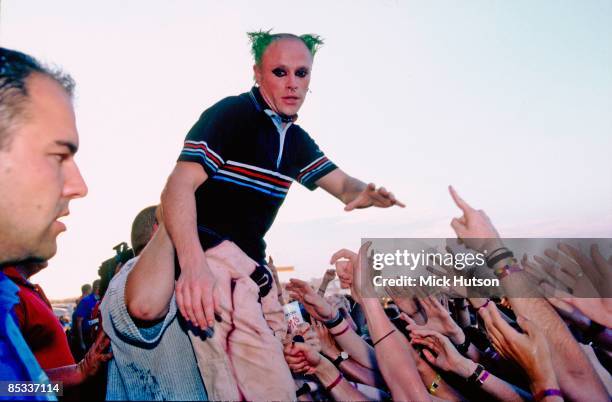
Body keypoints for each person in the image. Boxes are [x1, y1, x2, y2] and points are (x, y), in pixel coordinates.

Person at [160, 30, 404, 400]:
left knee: (290, 373)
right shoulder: (231, 114)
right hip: (214, 268)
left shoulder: (296, 140)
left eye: (301, 74)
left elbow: (344, 186)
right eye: (280, 72)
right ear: (257, 73)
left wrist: (366, 194)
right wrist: (194, 266)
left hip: (253, 274)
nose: (292, 84)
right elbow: (177, 187)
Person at [100, 205, 207, 400]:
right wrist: (170, 223)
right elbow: (144, 307)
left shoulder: (130, 280)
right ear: (158, 232)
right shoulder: (135, 274)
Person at [74, 279, 100, 356]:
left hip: (98, 337)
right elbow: (79, 321)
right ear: (97, 287)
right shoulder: (86, 301)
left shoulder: (102, 299)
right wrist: (81, 342)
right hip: (87, 337)